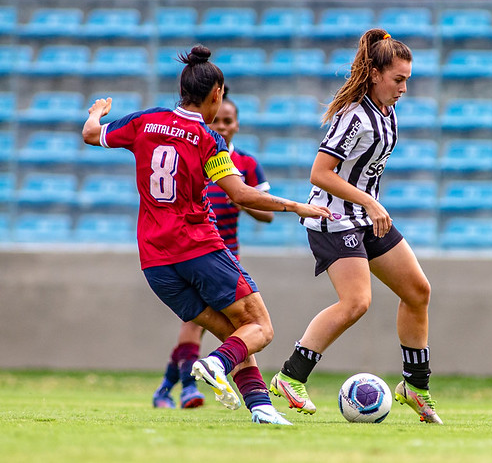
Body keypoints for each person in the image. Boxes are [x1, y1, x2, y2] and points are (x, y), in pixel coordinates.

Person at [82, 45, 331, 424]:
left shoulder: (143, 122)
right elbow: (241, 194)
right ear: (216, 94)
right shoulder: (207, 138)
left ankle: (261, 408)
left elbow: (89, 134)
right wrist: (298, 206)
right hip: (197, 248)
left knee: (236, 334)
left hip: (155, 263)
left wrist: (97, 112)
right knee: (261, 328)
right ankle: (213, 365)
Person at [267, 28, 443, 424]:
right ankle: (290, 377)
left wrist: (368, 204)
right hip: (333, 218)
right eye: (398, 80)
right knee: (356, 302)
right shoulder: (355, 115)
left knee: (417, 291)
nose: (403, 88)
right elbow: (319, 173)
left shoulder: (386, 111)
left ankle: (415, 386)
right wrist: (368, 200)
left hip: (364, 217)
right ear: (376, 74)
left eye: (407, 81)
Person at [152, 86, 275, 410]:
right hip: (190, 251)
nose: (221, 125)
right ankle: (189, 388)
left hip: (224, 254)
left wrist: (242, 195)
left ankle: (167, 386)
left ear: (237, 124)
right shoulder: (195, 151)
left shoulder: (245, 164)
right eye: (217, 119)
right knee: (196, 324)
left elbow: (266, 215)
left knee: (222, 327)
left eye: (228, 120)